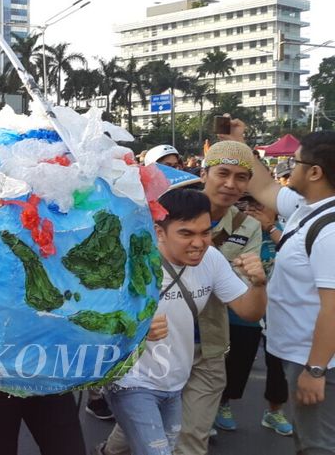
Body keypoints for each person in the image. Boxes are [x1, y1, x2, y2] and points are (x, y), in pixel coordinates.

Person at [98, 189, 268, 455]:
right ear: (160, 232)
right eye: (186, 233)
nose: (199, 243)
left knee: (150, 441)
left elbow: (249, 312)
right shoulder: (131, 262)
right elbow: (90, 323)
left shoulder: (211, 259)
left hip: (175, 381)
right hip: (130, 381)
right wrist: (137, 328)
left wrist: (259, 285)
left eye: (205, 232)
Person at [226, 125, 335, 454]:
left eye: (295, 162)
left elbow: (333, 308)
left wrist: (314, 370)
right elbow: (264, 185)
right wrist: (237, 143)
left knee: (318, 445)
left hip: (315, 360)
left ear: (314, 172)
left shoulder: (330, 230)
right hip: (299, 353)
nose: (288, 167)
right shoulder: (307, 207)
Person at [169, 140, 264, 455]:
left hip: (207, 343)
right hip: (159, 340)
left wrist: (257, 281)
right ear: (205, 172)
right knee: (141, 428)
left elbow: (241, 294)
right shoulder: (168, 207)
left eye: (241, 177)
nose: (230, 184)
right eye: (223, 173)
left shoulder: (247, 225)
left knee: (193, 440)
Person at [214, 195, 292, 436]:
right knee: (237, 360)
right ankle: (223, 404)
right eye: (247, 204)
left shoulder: (287, 232)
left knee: (278, 366)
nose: (252, 209)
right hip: (243, 309)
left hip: (280, 311)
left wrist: (270, 228)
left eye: (259, 204)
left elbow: (303, 258)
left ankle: (274, 411)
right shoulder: (238, 228)